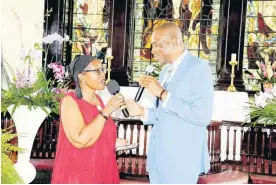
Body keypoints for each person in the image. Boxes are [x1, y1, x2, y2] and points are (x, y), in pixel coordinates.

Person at [126, 22, 214, 184]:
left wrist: (162, 93)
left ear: (174, 43)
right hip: (158, 158)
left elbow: (202, 116)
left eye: (157, 45)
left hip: (181, 161)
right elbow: (165, 115)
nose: (153, 51)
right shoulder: (165, 71)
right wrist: (141, 111)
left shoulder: (199, 68)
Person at [51, 55, 127, 184]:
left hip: (103, 169)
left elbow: (96, 132)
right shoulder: (70, 100)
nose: (103, 74)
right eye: (97, 70)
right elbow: (80, 140)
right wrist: (106, 111)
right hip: (80, 173)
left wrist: (114, 141)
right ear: (81, 76)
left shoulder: (98, 100)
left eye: (102, 69)